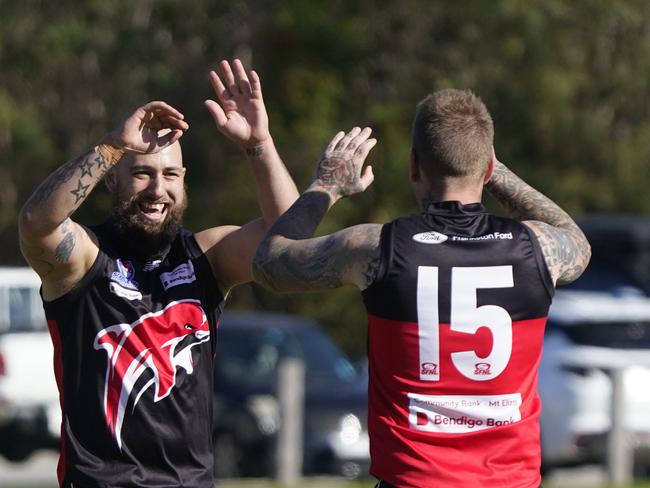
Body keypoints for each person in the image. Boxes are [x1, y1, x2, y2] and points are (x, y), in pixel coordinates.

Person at [252, 88, 591, 487]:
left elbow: (270, 263)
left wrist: (326, 186)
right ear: (484, 168)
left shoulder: (375, 247)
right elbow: (575, 237)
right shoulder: (540, 248)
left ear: (414, 166)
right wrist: (493, 168)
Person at [18, 59, 298, 488]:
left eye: (170, 175)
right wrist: (113, 145)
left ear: (184, 182)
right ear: (112, 181)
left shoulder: (207, 256)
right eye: (142, 174)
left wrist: (259, 144)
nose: (157, 189)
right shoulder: (85, 260)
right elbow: (37, 223)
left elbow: (289, 239)